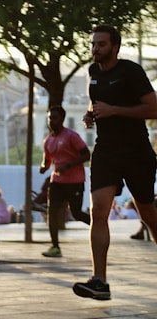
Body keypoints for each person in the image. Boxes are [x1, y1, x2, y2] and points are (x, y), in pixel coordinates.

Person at [73, 25, 157, 301]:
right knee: (99, 212)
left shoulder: (131, 72)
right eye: (93, 44)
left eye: (101, 44)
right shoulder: (93, 72)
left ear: (114, 46)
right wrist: (91, 115)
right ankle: (100, 281)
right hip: (106, 152)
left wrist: (114, 111)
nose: (95, 49)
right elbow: (97, 102)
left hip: (136, 152)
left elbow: (153, 108)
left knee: (148, 214)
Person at [39, 105, 91, 258]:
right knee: (52, 212)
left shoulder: (71, 136)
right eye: (49, 117)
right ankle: (55, 246)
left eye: (54, 117)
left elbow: (86, 154)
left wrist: (69, 165)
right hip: (57, 181)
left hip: (74, 181)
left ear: (62, 119)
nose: (51, 121)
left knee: (76, 213)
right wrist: (43, 167)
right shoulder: (48, 141)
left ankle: (99, 225)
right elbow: (47, 161)